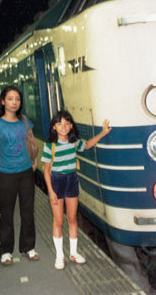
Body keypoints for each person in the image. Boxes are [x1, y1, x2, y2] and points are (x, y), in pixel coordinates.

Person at [41, 110, 111, 270]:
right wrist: (51, 191)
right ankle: (59, 256)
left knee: (72, 219)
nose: (63, 127)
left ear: (71, 126)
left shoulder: (74, 142)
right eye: (59, 124)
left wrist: (102, 133)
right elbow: (46, 170)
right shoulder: (49, 146)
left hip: (71, 180)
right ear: (54, 127)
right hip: (56, 182)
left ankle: (73, 252)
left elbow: (87, 145)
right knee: (58, 221)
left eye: (67, 124)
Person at [0, 85, 39, 266]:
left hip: (26, 173)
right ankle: (6, 250)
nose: (15, 102)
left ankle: (28, 247)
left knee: (27, 212)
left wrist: (34, 160)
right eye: (10, 98)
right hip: (6, 174)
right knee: (6, 214)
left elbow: (31, 142)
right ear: (3, 101)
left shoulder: (25, 121)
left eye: (18, 99)